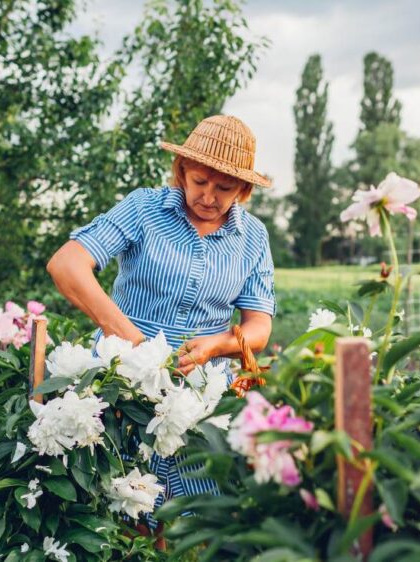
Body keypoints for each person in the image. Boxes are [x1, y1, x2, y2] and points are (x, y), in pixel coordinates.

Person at [46, 114, 275, 529]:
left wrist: (216, 347)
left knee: (198, 525)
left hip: (199, 398)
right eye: (200, 181)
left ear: (243, 189)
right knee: (120, 508)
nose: (208, 196)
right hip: (122, 384)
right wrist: (134, 342)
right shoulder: (144, 209)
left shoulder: (253, 238)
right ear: (182, 171)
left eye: (224, 188)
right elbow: (67, 265)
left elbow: (259, 324)